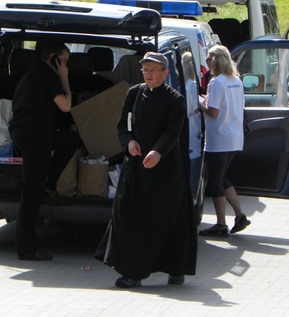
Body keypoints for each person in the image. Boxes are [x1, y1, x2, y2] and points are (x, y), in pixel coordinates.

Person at [95, 51, 198, 288]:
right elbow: (124, 125)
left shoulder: (175, 99)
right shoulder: (134, 93)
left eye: (153, 70)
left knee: (166, 219)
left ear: (165, 72)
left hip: (165, 170)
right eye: (145, 70)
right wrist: (128, 141)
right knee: (129, 215)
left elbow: (173, 132)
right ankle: (132, 271)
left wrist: (158, 152)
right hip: (137, 166)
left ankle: (176, 268)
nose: (148, 74)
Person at [9, 42, 81, 261]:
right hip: (35, 135)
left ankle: (50, 187)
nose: (66, 65)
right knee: (31, 191)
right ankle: (26, 249)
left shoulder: (34, 74)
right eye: (65, 61)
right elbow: (66, 105)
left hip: (32, 132)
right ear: (53, 58)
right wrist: (65, 78)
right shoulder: (48, 75)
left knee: (70, 140)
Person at [198, 45, 250, 237]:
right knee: (222, 177)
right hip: (234, 136)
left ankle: (221, 224)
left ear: (216, 60)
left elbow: (213, 112)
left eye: (209, 60)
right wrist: (208, 100)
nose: (207, 64)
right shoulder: (235, 80)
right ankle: (240, 215)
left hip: (219, 137)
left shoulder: (216, 82)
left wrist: (197, 103)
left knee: (216, 180)